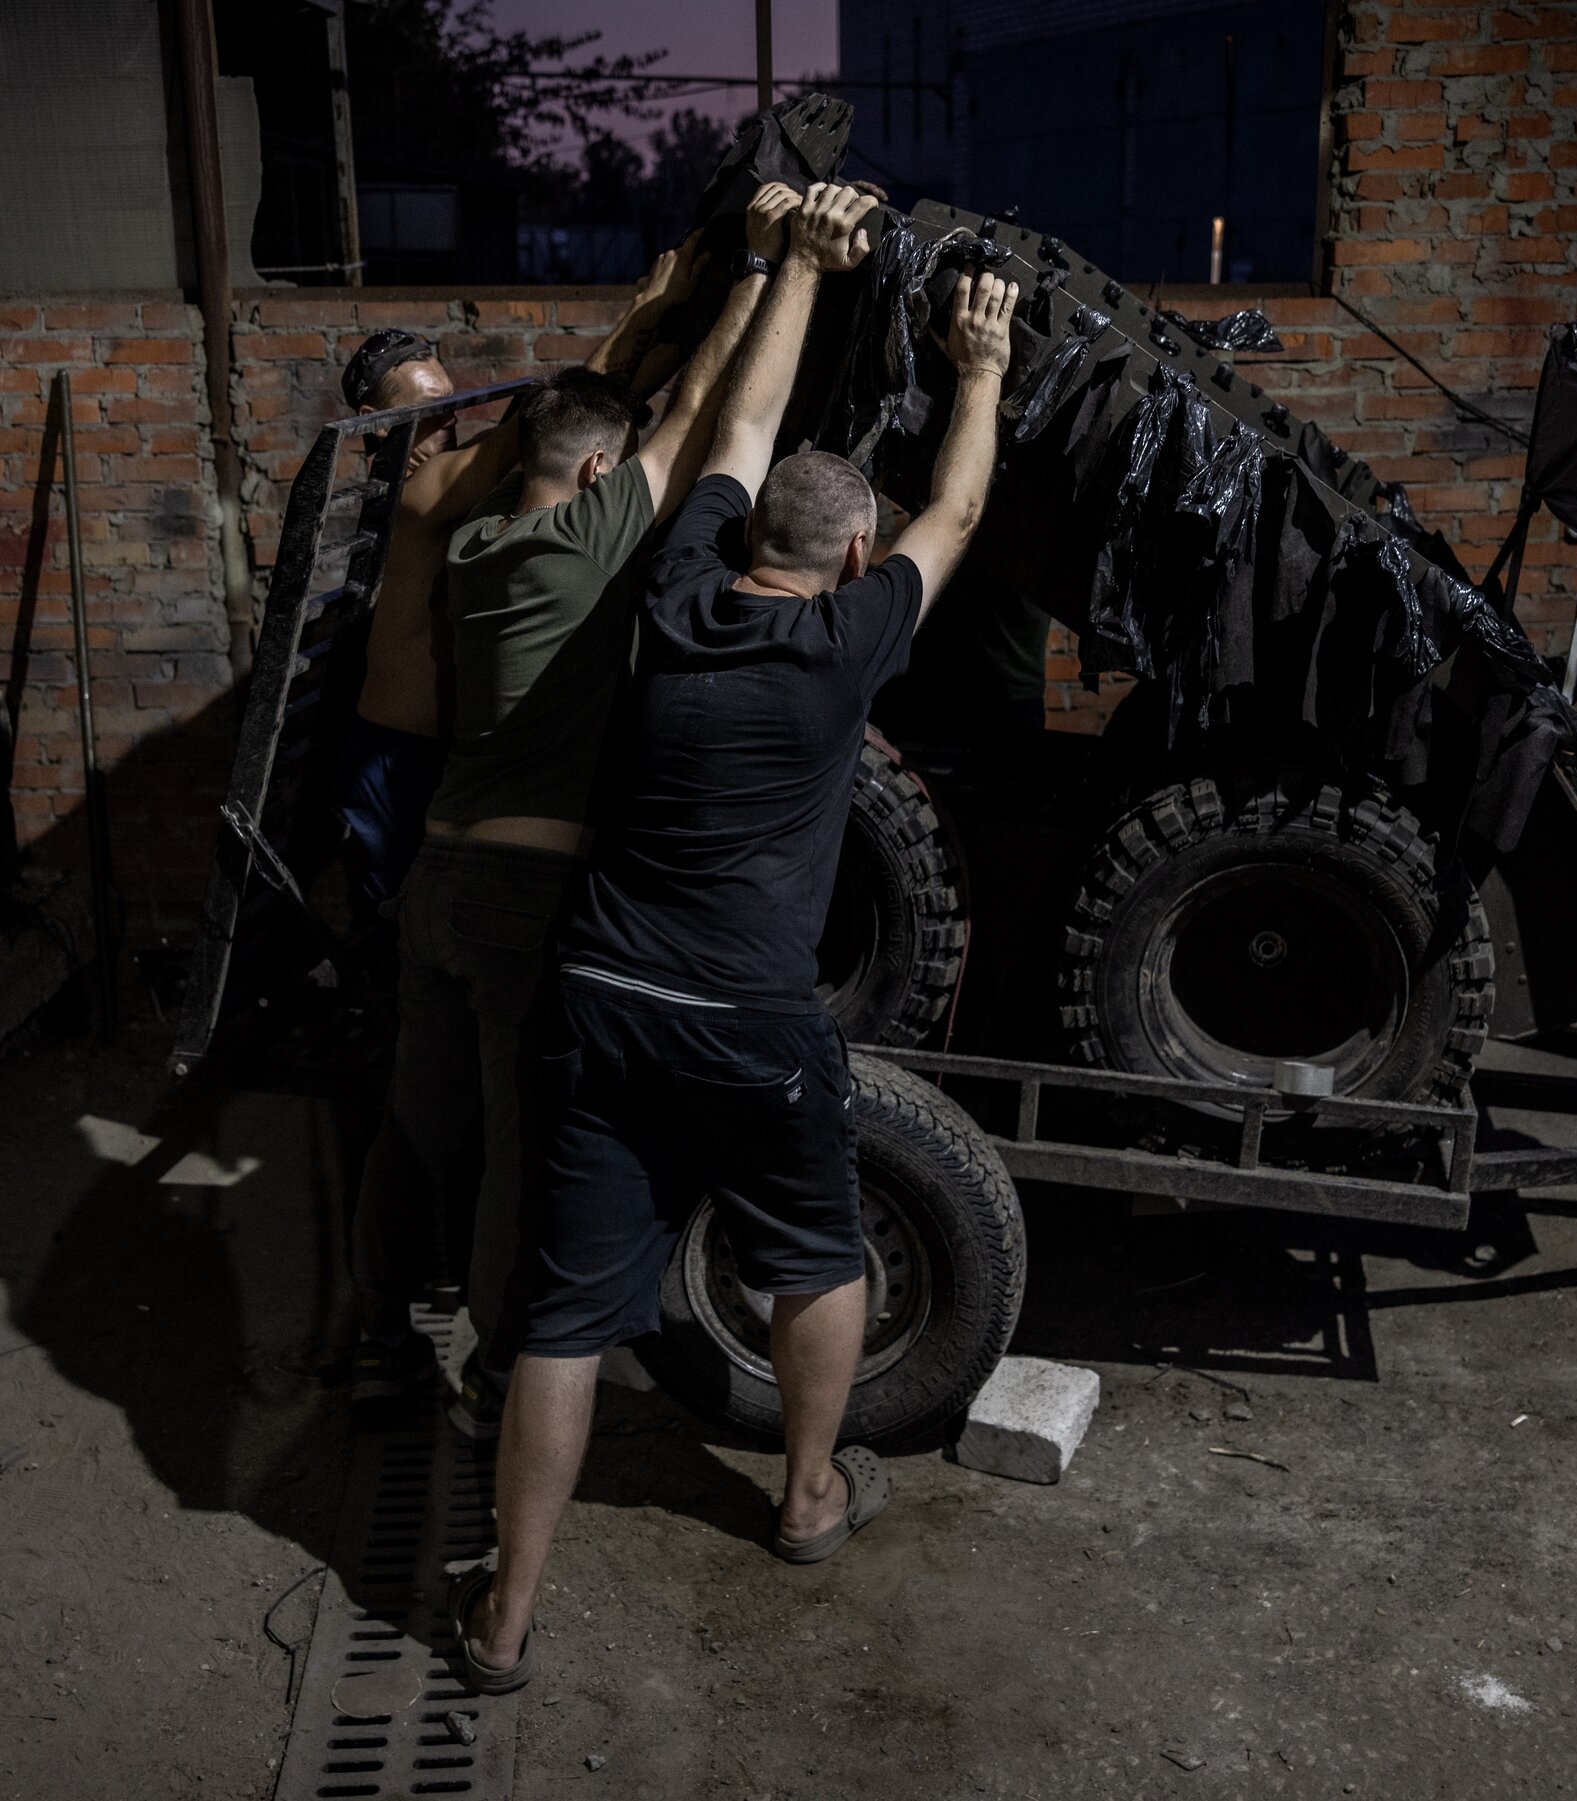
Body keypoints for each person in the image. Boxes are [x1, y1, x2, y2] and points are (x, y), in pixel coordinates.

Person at [451, 184, 1019, 1691]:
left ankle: (506, 1611)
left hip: (596, 994)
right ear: (850, 565)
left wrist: (801, 273)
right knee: (818, 1250)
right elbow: (956, 511)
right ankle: (806, 1492)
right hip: (746, 1018)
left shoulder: (681, 591)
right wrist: (982, 369)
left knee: (565, 1320)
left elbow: (739, 437)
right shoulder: (849, 643)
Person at [350, 185, 806, 1429]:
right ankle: (499, 1382)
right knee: (520, 1145)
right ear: (599, 471)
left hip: (435, 879)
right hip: (515, 901)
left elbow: (629, 417)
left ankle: (377, 1332)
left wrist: (653, 320)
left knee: (417, 1124)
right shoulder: (593, 533)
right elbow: (708, 409)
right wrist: (764, 268)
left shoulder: (481, 546)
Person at [334, 253, 693, 919]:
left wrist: (668, 339)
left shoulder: (448, 481)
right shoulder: (412, 492)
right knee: (395, 943)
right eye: (435, 414)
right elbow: (541, 427)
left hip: (444, 759)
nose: (454, 425)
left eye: (455, 408)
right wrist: (644, 315)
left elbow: (579, 417)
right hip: (394, 762)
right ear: (376, 423)